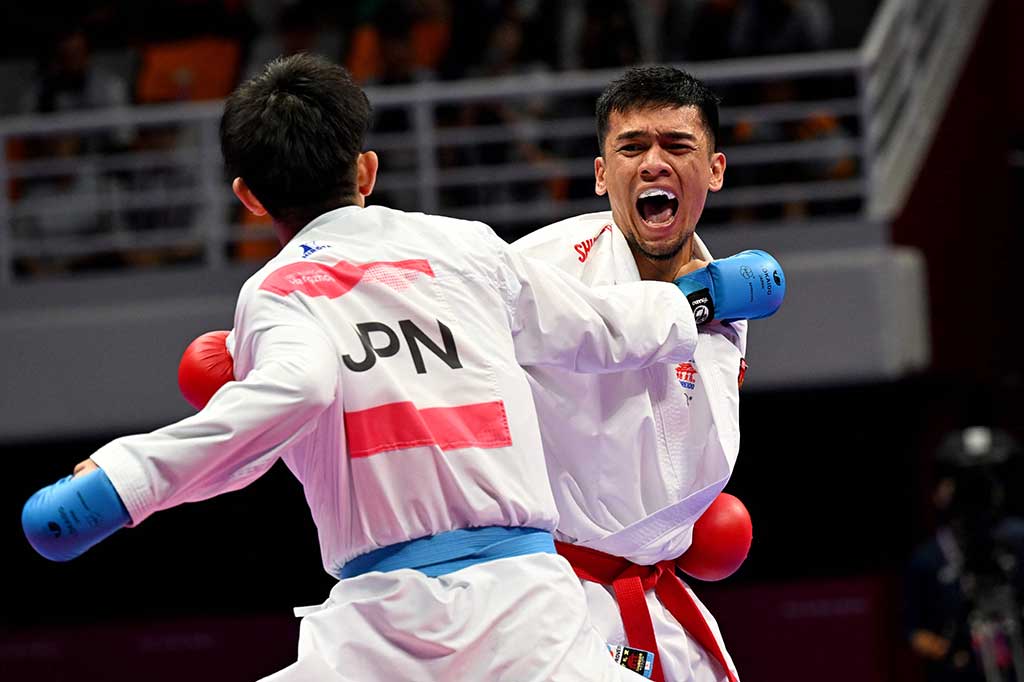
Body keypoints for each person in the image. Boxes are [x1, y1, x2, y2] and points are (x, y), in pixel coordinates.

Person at [21, 54, 714, 681]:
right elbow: (599, 329)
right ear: (366, 170)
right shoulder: (464, 248)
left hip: (381, 633)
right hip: (530, 615)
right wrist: (709, 297)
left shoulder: (277, 292)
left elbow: (294, 390)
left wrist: (125, 481)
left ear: (249, 198)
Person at [512, 65, 776, 682]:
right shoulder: (535, 272)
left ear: (714, 169)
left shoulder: (729, 295)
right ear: (603, 174)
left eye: (677, 146)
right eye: (632, 147)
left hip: (658, 593)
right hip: (555, 598)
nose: (654, 163)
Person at [906, 426, 1024, 682]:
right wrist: (951, 654)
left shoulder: (1018, 541)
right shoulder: (929, 558)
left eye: (984, 482)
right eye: (965, 484)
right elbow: (915, 633)